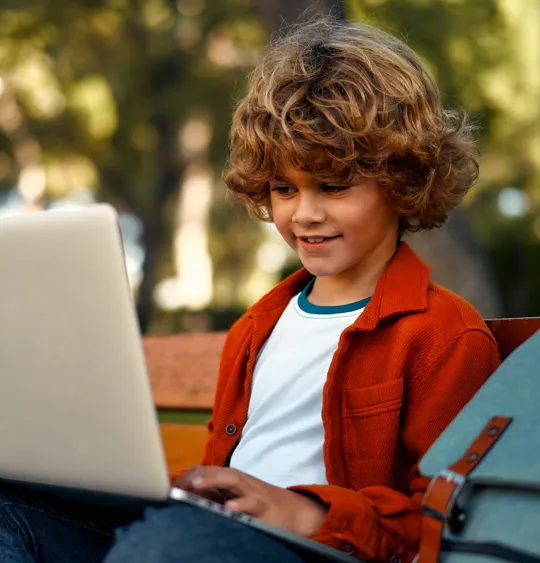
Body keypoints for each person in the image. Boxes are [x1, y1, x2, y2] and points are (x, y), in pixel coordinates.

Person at [0, 16, 500, 563]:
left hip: (318, 548)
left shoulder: (443, 335)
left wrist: (303, 511)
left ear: (402, 180)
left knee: (168, 545)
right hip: (205, 537)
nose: (305, 213)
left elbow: (443, 521)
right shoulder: (258, 326)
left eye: (333, 186)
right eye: (284, 188)